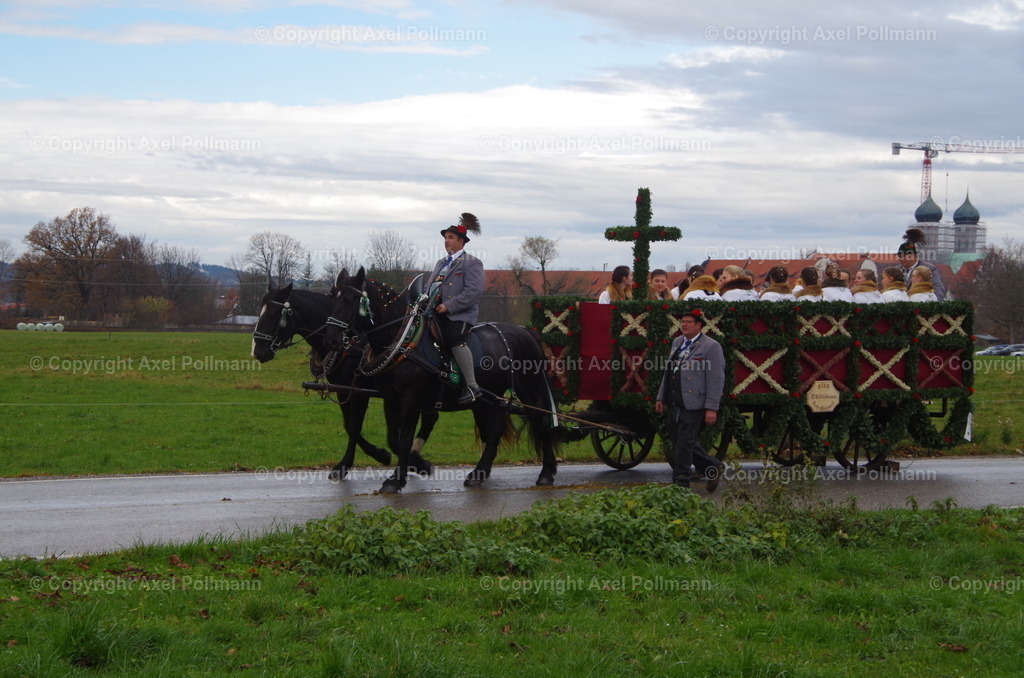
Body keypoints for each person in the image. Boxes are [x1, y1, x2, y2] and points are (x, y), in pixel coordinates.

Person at [655, 312, 726, 491]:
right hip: (675, 401)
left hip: (695, 402)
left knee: (685, 441)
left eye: (688, 322)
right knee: (680, 441)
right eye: (682, 322)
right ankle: (713, 467)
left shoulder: (711, 346)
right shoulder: (677, 342)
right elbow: (668, 372)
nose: (684, 325)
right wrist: (661, 397)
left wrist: (711, 407)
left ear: (699, 325)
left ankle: (681, 482)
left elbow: (716, 379)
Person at [429, 213, 485, 404]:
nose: (446, 241)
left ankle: (472, 386)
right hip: (435, 312)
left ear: (461, 241)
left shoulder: (473, 263)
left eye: (451, 237)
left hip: (459, 315)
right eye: (445, 238)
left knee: (453, 337)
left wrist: (448, 306)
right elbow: (431, 287)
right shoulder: (440, 264)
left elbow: (473, 292)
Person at [897, 228, 946, 300]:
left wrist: (932, 303)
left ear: (914, 256)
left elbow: (938, 289)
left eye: (905, 256)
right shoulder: (897, 269)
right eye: (900, 256)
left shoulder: (929, 268)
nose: (901, 259)